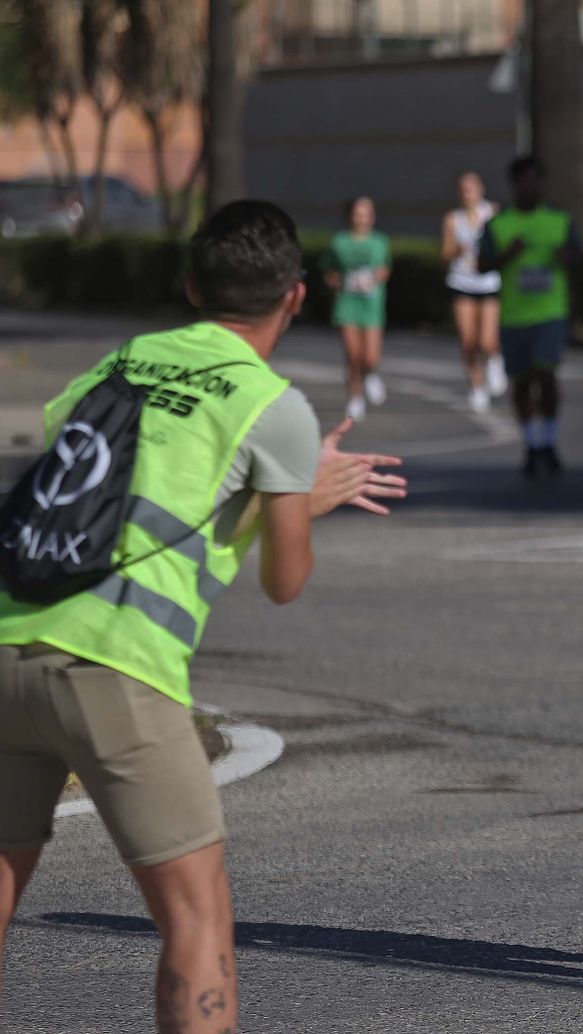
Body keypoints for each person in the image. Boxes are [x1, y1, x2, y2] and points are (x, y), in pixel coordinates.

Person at [0, 200, 406, 1033]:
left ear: (191, 285)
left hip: (8, 635)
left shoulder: (126, 359)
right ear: (295, 298)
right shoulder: (273, 405)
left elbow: (77, 455)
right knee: (195, 916)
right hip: (114, 666)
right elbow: (284, 581)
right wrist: (303, 497)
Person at [478, 155, 582, 477]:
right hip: (514, 316)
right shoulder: (498, 225)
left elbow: (579, 256)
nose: (529, 187)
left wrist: (565, 257)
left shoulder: (559, 221)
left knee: (546, 374)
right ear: (514, 185)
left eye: (535, 180)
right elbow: (482, 265)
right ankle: (531, 443)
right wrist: (509, 254)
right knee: (521, 382)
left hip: (550, 313)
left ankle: (548, 440)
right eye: (523, 181)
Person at [441, 170, 508, 414]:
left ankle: (494, 360)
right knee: (468, 341)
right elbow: (444, 255)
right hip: (461, 282)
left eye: (471, 188)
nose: (467, 194)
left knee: (487, 340)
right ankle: (477, 386)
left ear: (481, 190)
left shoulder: (492, 213)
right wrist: (457, 249)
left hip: (488, 282)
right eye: (462, 189)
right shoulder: (453, 219)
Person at [322, 196, 392, 421]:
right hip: (347, 302)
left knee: (370, 357)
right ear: (349, 215)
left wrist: (376, 278)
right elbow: (329, 269)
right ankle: (355, 396)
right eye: (358, 213)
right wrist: (334, 282)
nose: (362, 218)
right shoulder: (339, 242)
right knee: (353, 355)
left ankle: (371, 374)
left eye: (367, 213)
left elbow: (385, 269)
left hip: (371, 303)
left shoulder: (380, 241)